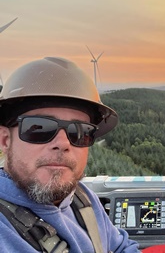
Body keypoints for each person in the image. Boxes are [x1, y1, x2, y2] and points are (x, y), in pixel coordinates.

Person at [0, 57, 140, 252]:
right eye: (39, 128)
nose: (63, 143)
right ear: (5, 140)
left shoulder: (81, 197)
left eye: (79, 132)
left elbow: (120, 247)